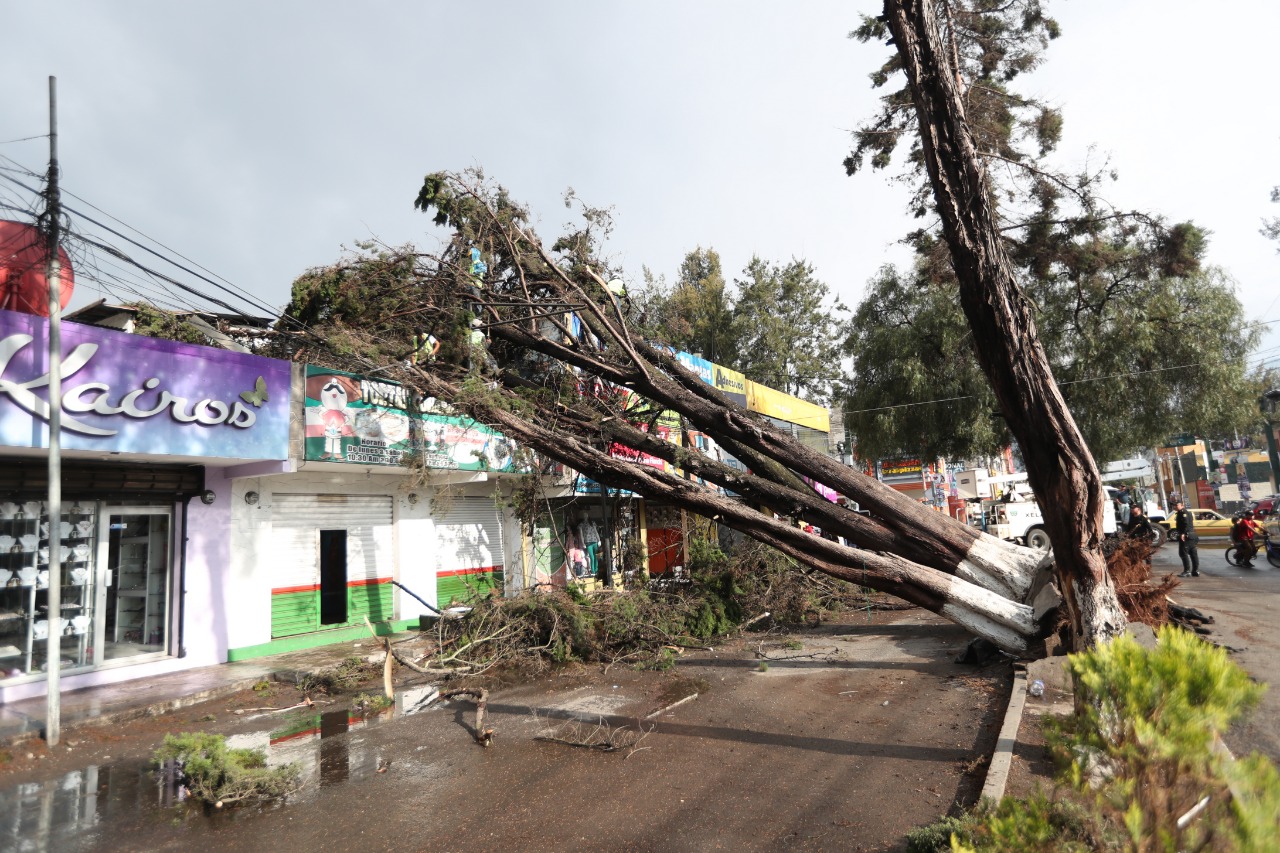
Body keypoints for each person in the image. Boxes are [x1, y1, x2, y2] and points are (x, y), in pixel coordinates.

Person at [1172, 499, 1199, 577]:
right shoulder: (1181, 513)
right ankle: (1195, 571)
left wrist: (1183, 533)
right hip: (1191, 535)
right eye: (1174, 505)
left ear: (1182, 505)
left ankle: (1187, 571)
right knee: (1193, 553)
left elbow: (1186, 524)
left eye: (1177, 505)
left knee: (1183, 553)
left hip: (1187, 536)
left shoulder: (1184, 513)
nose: (1175, 506)